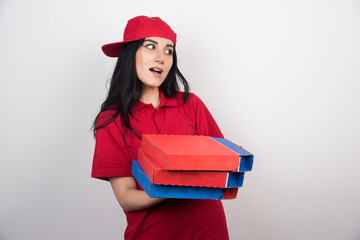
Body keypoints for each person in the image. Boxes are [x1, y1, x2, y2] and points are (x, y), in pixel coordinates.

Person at [91, 15, 229, 240]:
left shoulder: (191, 104)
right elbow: (126, 196)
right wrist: (176, 185)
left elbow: (221, 162)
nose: (161, 57)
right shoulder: (112, 119)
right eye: (150, 46)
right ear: (130, 54)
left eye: (169, 50)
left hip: (209, 231)